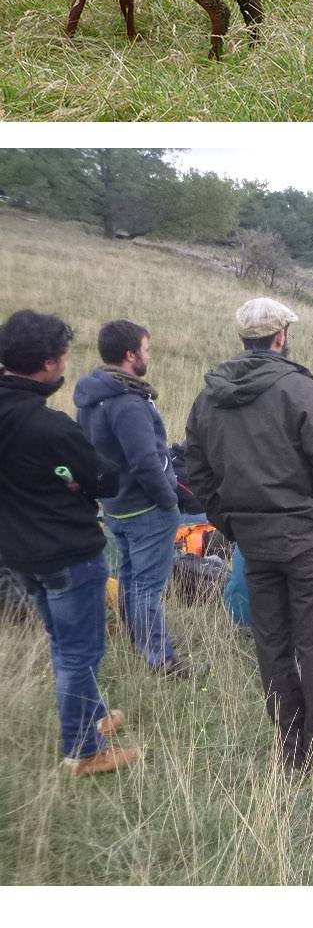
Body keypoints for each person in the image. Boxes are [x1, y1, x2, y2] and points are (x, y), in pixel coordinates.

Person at [185, 297, 313, 770]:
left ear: (245, 337)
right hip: (309, 540)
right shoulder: (298, 389)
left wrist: (229, 522)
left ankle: (289, 744)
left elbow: (195, 469)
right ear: (280, 337)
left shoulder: (209, 396)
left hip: (254, 542)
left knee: (272, 643)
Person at [0, 309, 139, 777]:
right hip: (67, 553)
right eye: (61, 359)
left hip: (17, 551)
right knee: (80, 651)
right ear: (46, 365)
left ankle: (93, 717)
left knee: (62, 640)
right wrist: (77, 484)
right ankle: (82, 752)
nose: (64, 366)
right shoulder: (51, 427)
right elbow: (105, 479)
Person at [74, 319, 191, 676]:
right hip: (146, 508)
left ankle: (141, 644)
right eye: (146, 349)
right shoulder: (127, 403)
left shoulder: (92, 398)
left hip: (116, 506)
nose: (148, 356)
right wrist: (169, 500)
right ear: (130, 354)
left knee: (130, 579)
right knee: (146, 587)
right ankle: (160, 659)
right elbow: (145, 462)